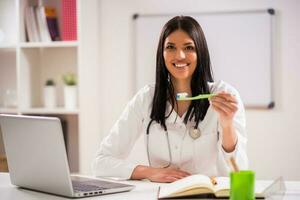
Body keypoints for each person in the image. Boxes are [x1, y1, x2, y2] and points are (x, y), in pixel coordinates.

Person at [92, 16, 248, 183]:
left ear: (200, 52)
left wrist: (227, 125)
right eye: (171, 47)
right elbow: (101, 163)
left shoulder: (223, 95)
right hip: (161, 194)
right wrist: (149, 172)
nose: (179, 55)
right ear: (162, 53)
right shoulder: (146, 98)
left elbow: (239, 172)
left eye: (189, 47)